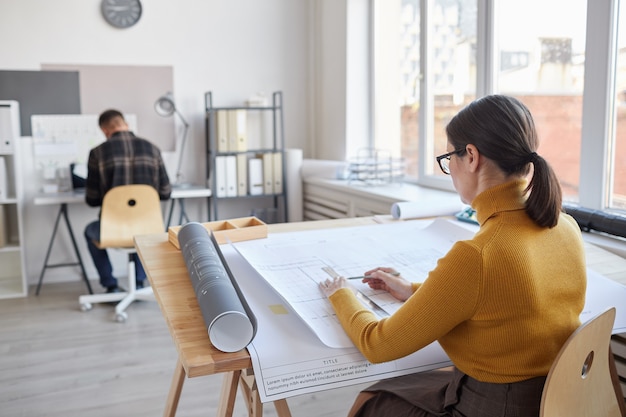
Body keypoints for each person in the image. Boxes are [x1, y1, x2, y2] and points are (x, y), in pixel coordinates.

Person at [319, 95, 587, 417]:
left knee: (373, 401)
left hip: (490, 407)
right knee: (393, 389)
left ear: (471, 156)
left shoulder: (479, 255)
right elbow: (498, 304)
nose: (450, 169)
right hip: (558, 399)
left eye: (449, 158)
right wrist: (411, 291)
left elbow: (377, 345)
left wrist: (341, 294)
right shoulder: (565, 226)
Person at [84, 109, 171, 293]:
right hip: (149, 228)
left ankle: (110, 285)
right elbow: (165, 193)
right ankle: (139, 282)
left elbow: (92, 200)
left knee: (90, 231)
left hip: (113, 229)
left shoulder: (97, 153)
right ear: (126, 124)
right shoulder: (152, 148)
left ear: (105, 130)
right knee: (139, 230)